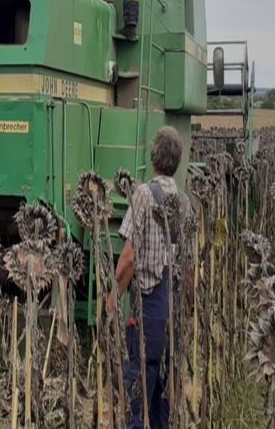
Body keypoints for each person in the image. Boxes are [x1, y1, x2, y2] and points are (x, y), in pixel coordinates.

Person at [107, 126, 186, 429]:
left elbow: (128, 258)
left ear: (153, 158)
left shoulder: (143, 195)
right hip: (172, 311)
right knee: (163, 398)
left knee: (139, 395)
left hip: (148, 309)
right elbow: (188, 267)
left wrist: (113, 298)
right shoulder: (184, 202)